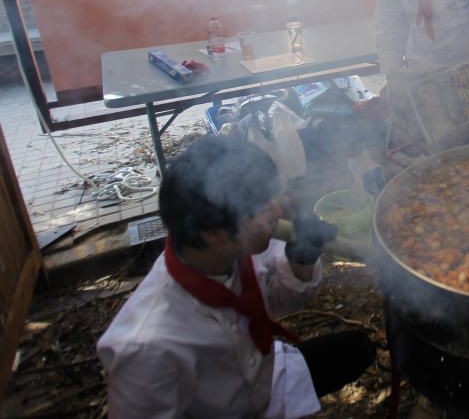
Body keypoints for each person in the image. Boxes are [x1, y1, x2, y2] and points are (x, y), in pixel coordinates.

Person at [97, 136, 375, 419]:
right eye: (261, 209)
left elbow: (283, 299)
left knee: (358, 350)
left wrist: (300, 258)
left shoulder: (240, 246)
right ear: (212, 232)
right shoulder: (146, 347)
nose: (277, 213)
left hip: (269, 378)